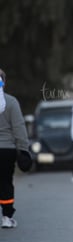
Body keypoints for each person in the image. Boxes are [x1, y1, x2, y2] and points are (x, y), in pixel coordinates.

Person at [0, 68, 31, 228]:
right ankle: (6, 217)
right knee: (5, 183)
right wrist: (24, 149)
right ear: (3, 82)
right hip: (6, 150)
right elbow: (19, 128)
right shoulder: (11, 102)